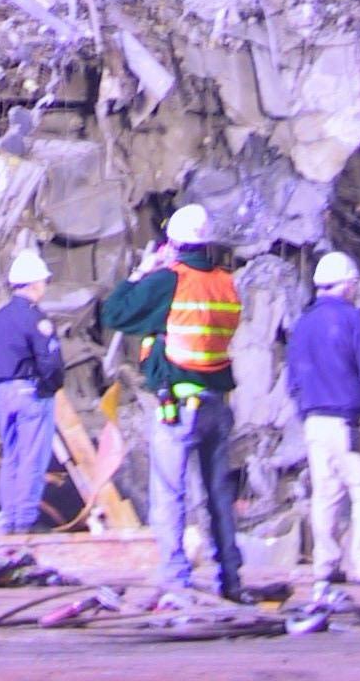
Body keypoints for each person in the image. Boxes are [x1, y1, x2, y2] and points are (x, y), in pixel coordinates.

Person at [102, 202, 246, 603]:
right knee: (218, 495)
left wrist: (143, 273)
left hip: (178, 408)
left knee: (169, 494)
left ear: (174, 245)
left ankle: (176, 579)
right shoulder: (226, 283)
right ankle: (230, 578)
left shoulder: (169, 281)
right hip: (217, 404)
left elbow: (115, 313)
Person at [286, 249, 360, 587]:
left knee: (325, 495)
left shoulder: (302, 325)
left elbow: (293, 378)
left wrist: (305, 410)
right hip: (352, 422)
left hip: (314, 421)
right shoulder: (354, 321)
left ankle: (325, 565)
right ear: (348, 285)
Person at [0, 246, 64, 534]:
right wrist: (51, 387)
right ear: (33, 284)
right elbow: (50, 361)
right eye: (43, 281)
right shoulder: (35, 319)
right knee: (33, 457)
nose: (44, 286)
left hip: (2, 393)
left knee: (12, 457)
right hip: (30, 392)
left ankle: (8, 518)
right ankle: (25, 522)